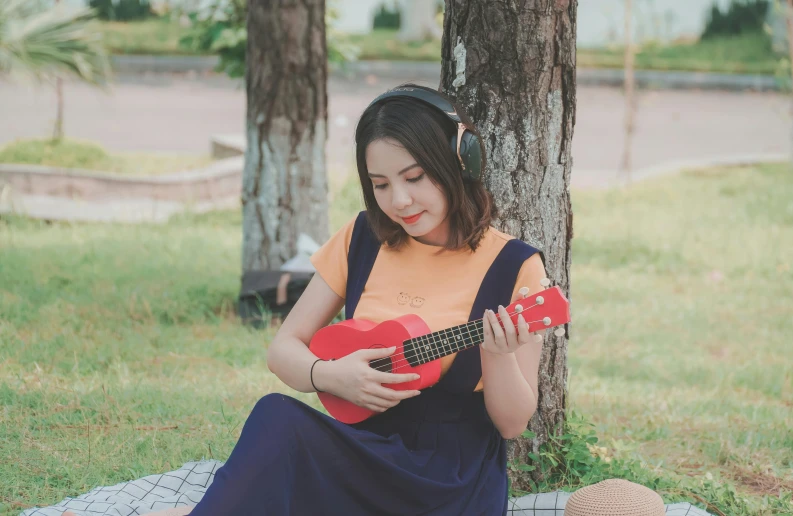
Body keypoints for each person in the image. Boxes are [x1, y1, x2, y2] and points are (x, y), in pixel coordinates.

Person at [69, 84, 548, 516]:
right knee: (277, 416)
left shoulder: (515, 266)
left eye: (415, 176)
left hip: (447, 480)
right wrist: (331, 376)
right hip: (363, 448)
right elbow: (284, 349)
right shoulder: (362, 239)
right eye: (380, 185)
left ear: (459, 161)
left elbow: (511, 425)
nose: (399, 200)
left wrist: (497, 355)